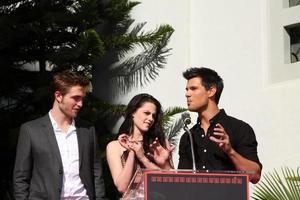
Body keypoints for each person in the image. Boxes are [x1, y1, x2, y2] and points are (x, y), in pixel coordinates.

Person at [13, 70, 105, 199]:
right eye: (75, 98)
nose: (80, 104)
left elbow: (96, 172)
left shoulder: (87, 129)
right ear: (58, 96)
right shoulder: (30, 131)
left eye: (82, 98)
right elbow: (21, 179)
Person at [178, 67, 262, 184]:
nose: (187, 94)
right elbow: (181, 183)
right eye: (187, 89)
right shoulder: (188, 137)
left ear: (211, 91)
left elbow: (255, 176)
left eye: (193, 89)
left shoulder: (239, 128)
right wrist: (165, 163)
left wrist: (230, 151)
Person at [106, 93, 174, 194]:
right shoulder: (115, 146)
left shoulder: (160, 144)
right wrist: (132, 153)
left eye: (153, 116)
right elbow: (122, 187)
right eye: (146, 113)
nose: (151, 118)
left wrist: (145, 159)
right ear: (133, 112)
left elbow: (173, 182)